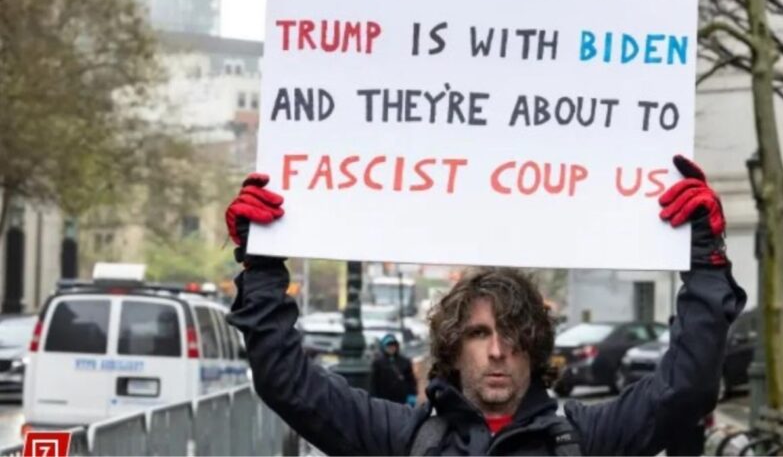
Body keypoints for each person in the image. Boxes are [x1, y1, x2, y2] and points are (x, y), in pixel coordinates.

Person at [225, 155, 746, 456]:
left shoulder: (585, 440)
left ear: (535, 350)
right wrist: (263, 270)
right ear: (453, 347)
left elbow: (686, 388)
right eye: (478, 334)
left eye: (515, 336)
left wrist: (705, 262)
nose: (498, 350)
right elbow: (289, 384)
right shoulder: (403, 439)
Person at [370, 333, 418, 407]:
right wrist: (374, 398)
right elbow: (374, 382)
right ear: (384, 347)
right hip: (384, 399)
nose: (391, 348)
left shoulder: (404, 361)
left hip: (402, 399)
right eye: (388, 346)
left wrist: (412, 395)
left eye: (393, 345)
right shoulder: (378, 363)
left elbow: (410, 380)